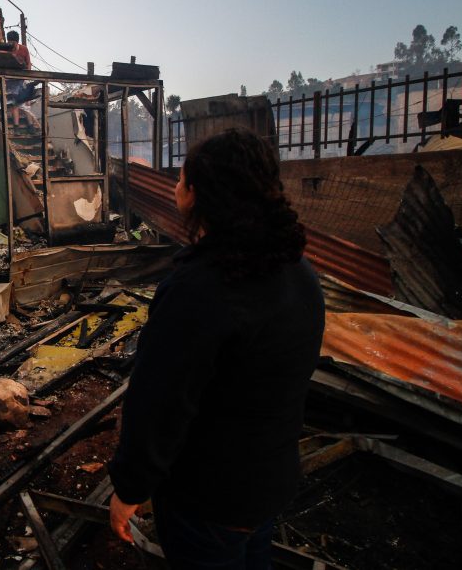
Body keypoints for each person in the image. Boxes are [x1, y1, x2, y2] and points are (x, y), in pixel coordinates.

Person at [108, 128, 325, 570]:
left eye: (181, 178)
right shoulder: (298, 271)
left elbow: (159, 405)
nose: (175, 185)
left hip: (207, 497)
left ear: (198, 194)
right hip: (269, 480)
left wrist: (130, 488)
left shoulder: (199, 290)